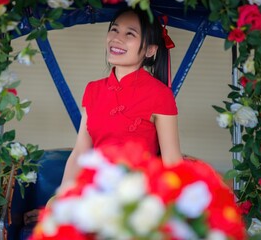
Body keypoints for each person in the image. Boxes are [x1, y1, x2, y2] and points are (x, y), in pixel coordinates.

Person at [24, 6, 183, 226]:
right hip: (94, 194)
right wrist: (61, 201)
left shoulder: (160, 95)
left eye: (130, 34)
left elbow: (172, 161)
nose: (117, 39)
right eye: (114, 30)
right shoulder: (93, 89)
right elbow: (81, 150)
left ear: (150, 50)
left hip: (136, 200)